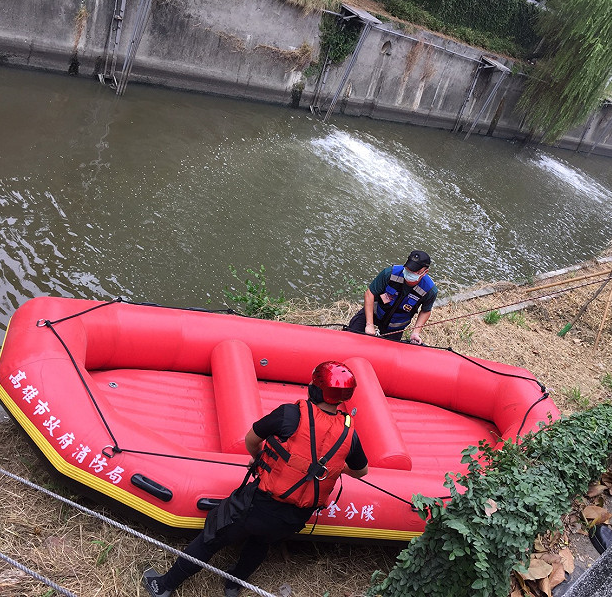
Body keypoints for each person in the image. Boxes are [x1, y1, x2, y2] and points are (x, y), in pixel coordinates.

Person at [142, 361, 369, 597]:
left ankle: (164, 586)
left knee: (212, 535)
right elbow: (361, 471)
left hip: (260, 505)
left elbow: (251, 439)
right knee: (261, 542)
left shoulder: (290, 414)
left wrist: (259, 457)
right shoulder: (349, 434)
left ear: (316, 389)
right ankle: (233, 585)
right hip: (295, 517)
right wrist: (335, 468)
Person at [347, 250, 437, 344]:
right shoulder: (390, 273)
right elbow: (370, 294)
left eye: (415, 271)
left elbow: (426, 311)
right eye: (408, 269)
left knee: (385, 350)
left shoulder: (429, 290)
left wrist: (416, 332)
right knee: (351, 337)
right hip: (374, 313)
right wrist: (369, 324)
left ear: (425, 272)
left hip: (395, 327)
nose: (410, 272)